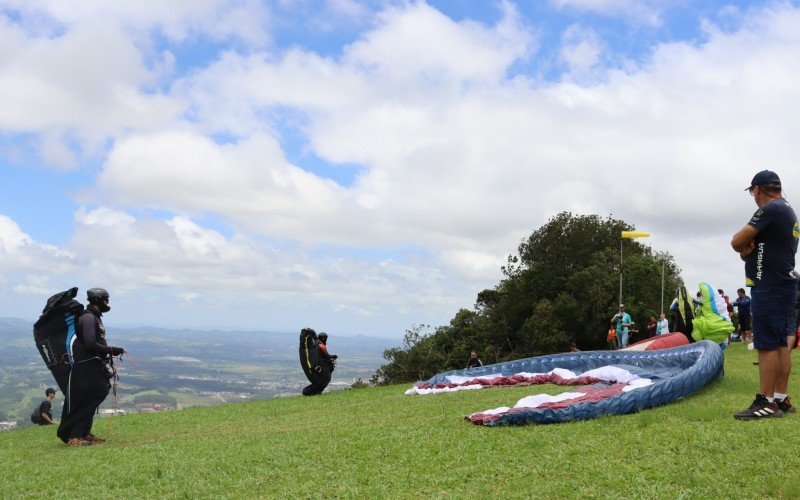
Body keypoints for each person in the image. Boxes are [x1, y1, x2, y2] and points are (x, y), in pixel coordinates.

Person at [731, 170, 799, 420]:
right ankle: (780, 399)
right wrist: (746, 249)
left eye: (752, 192)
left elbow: (736, 241)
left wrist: (743, 247)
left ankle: (766, 402)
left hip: (769, 284)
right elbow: (747, 248)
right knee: (780, 343)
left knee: (767, 343)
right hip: (783, 284)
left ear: (758, 189)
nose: (753, 197)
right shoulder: (787, 209)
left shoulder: (770, 209)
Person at [57, 288, 125, 445]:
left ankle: (84, 433)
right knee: (88, 398)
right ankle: (74, 436)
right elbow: (90, 343)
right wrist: (112, 350)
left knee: (96, 394)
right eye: (106, 299)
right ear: (98, 300)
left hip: (93, 365)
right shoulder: (88, 318)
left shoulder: (94, 317)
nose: (108, 302)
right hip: (86, 367)